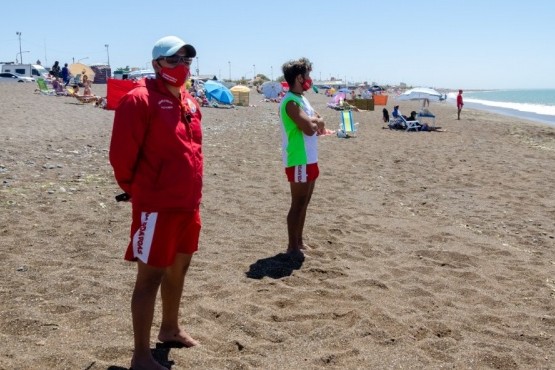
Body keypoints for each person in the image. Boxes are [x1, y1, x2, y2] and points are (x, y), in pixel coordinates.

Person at [109, 35, 201, 370]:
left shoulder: (190, 102)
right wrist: (140, 191)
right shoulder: (139, 99)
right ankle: (140, 355)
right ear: (156, 64)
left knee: (180, 268)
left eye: (186, 60)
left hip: (188, 205)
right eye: (173, 60)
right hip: (156, 206)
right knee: (150, 278)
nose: (182, 66)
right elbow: (121, 156)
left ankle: (170, 328)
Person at [279, 57, 325, 257]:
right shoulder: (290, 101)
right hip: (298, 159)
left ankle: (300, 241)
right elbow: (309, 129)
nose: (309, 78)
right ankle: (292, 246)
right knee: (297, 204)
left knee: (305, 203)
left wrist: (314, 121)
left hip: (310, 158)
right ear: (299, 77)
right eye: (307, 75)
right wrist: (314, 122)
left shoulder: (302, 99)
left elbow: (319, 120)